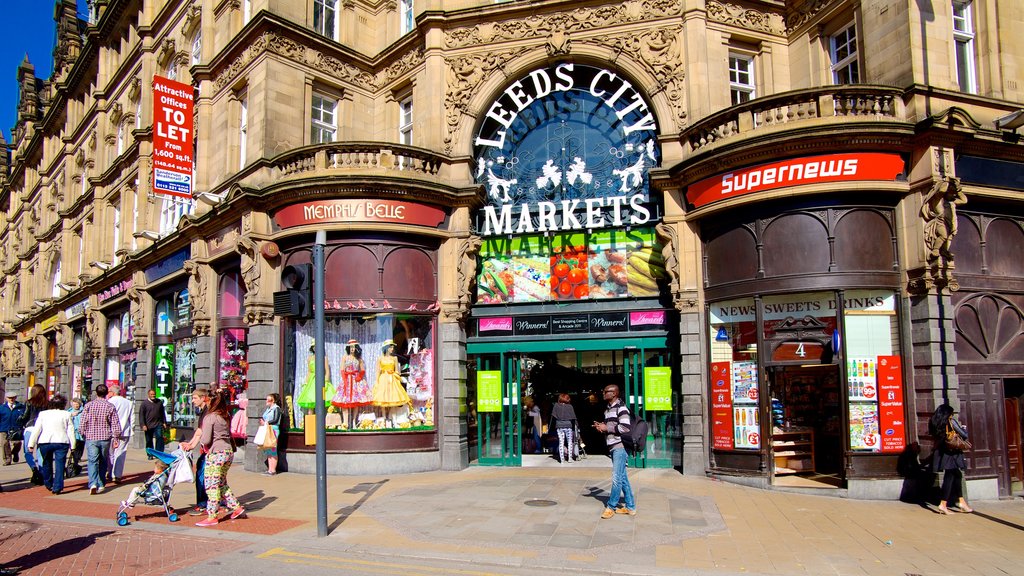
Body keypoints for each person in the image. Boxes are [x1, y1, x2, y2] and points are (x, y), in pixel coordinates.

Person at [180, 388, 245, 527]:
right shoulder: (224, 415)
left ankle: (212, 515)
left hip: (216, 453)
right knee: (221, 483)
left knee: (211, 485)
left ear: (210, 401)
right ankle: (237, 508)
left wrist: (198, 442)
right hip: (228, 452)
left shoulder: (210, 417)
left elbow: (206, 439)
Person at [593, 384, 636, 518]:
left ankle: (611, 507)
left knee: (617, 478)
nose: (604, 393)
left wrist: (607, 428)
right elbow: (611, 426)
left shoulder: (621, 408)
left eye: (606, 391)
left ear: (614, 394)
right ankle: (630, 507)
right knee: (623, 478)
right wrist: (602, 427)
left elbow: (625, 428)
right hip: (612, 445)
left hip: (620, 446)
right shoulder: (608, 409)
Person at [929, 403, 974, 514]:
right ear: (947, 413)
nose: (952, 415)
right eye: (951, 413)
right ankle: (943, 504)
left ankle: (961, 501)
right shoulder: (951, 422)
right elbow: (964, 435)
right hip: (952, 453)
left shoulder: (933, 422)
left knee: (956, 475)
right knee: (949, 477)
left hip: (942, 452)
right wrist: (964, 428)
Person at [27, 394, 76, 495]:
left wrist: (31, 444)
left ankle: (48, 483)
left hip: (45, 442)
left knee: (46, 463)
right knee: (60, 464)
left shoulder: (43, 414)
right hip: (62, 441)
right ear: (63, 404)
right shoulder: (66, 414)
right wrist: (73, 445)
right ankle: (58, 487)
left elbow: (37, 429)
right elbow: (70, 431)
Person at [78, 384, 121, 495]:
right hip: (105, 437)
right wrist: (116, 437)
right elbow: (115, 423)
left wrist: (82, 432)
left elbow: (83, 421)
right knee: (103, 460)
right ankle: (101, 484)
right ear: (106, 393)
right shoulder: (110, 406)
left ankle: (92, 483)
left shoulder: (88, 405)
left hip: (91, 437)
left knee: (92, 461)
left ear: (96, 393)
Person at [331, 339, 372, 429]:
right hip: (347, 380)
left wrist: (359, 377)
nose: (352, 349)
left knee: (355, 402)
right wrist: (344, 380)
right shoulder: (345, 357)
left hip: (356, 381)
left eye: (354, 347)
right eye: (351, 347)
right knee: (344, 401)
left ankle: (354, 421)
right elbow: (342, 370)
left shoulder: (359, 359)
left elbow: (362, 370)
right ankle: (345, 422)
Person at [371, 340, 411, 427]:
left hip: (392, 379)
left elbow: (397, 370)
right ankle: (385, 419)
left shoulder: (394, 358)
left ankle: (393, 418)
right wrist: (377, 382)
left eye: (392, 347)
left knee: (393, 397)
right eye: (390, 347)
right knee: (383, 398)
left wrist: (394, 374)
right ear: (386, 348)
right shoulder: (380, 358)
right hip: (383, 379)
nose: (392, 349)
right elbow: (378, 371)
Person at [18, 384, 49, 485]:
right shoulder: (46, 403)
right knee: (40, 452)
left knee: (28, 452)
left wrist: (20, 421)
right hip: (42, 429)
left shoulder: (29, 402)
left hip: (30, 428)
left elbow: (25, 416)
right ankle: (41, 472)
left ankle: (34, 469)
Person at [296, 341, 334, 411]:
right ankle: (310, 420)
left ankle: (323, 418)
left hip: (321, 379)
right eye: (314, 347)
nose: (315, 348)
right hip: (312, 380)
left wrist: (326, 382)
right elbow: (309, 371)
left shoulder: (324, 358)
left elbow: (327, 371)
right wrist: (306, 382)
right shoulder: (310, 358)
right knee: (311, 399)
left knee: (323, 398)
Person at [107, 386, 134, 484]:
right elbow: (132, 418)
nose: (108, 393)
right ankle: (117, 475)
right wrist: (132, 429)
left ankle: (110, 472)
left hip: (111, 431)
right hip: (125, 430)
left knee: (110, 453)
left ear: (112, 392)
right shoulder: (128, 402)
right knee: (121, 452)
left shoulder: (110, 402)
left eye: (109, 391)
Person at [550, 393, 579, 463]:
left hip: (559, 426)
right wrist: (577, 427)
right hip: (568, 426)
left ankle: (562, 459)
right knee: (569, 442)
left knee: (561, 442)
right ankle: (570, 458)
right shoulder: (570, 407)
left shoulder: (556, 406)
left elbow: (553, 417)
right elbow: (574, 418)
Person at [139, 389, 167, 457]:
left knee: (159, 437)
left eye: (154, 394)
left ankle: (159, 453)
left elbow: (162, 413)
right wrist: (143, 425)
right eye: (151, 394)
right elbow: (141, 415)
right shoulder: (144, 404)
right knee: (149, 440)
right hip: (148, 425)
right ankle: (150, 454)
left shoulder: (159, 402)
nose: (153, 396)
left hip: (158, 423)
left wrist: (164, 422)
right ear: (148, 395)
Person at [260, 393, 283, 475]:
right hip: (267, 429)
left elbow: (276, 419)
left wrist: (266, 422)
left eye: (268, 399)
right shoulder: (268, 409)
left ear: (273, 401)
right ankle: (270, 469)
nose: (266, 401)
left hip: (273, 429)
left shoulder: (276, 408)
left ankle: (273, 470)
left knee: (273, 448)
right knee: (268, 449)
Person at [1, 391, 25, 466]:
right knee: (4, 443)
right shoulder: (2, 408)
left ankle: (15, 452)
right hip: (4, 428)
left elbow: (24, 417)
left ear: (15, 398)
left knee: (18, 443)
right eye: (9, 398)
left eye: (13, 398)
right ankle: (7, 459)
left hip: (16, 428)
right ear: (6, 398)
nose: (11, 399)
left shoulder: (20, 407)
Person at [67, 398, 85, 475]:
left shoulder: (84, 411)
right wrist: (71, 415)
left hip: (81, 434)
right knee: (73, 449)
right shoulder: (68, 412)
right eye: (74, 404)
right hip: (72, 433)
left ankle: (76, 461)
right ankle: (74, 463)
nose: (76, 405)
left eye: (77, 404)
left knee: (80, 449)